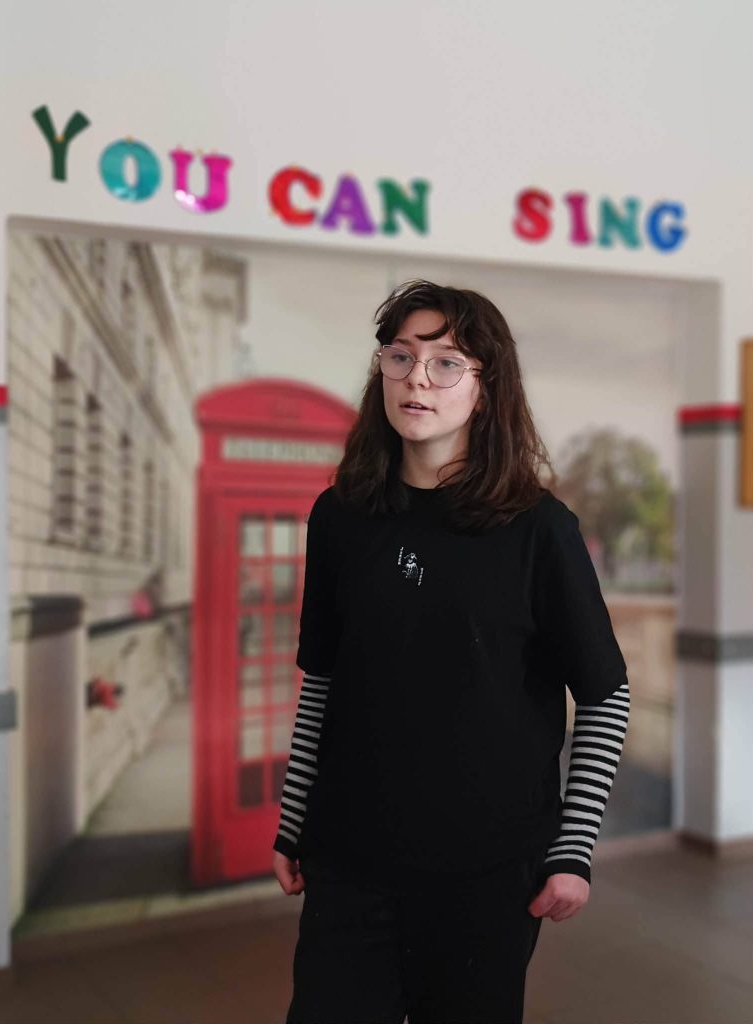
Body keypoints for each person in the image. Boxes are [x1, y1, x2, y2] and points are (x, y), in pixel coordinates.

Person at [271, 279, 631, 1024]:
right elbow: (323, 680)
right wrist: (294, 816)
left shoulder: (538, 529)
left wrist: (573, 848)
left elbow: (604, 694)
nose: (417, 380)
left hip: (488, 870)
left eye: (446, 364)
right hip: (351, 857)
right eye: (400, 357)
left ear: (485, 388)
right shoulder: (340, 516)